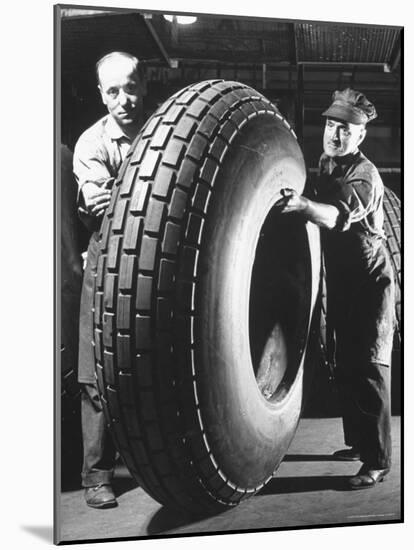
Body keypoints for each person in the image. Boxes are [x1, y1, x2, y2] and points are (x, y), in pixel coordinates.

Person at [277, 88, 395, 490]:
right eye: (331, 125)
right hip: (342, 278)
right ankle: (359, 444)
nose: (335, 135)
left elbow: (335, 215)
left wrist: (304, 207)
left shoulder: (364, 175)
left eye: (345, 130)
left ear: (360, 136)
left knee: (369, 367)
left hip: (371, 282)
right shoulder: (328, 162)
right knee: (344, 362)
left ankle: (378, 461)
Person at [73, 51, 146, 508]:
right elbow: (104, 209)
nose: (124, 100)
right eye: (113, 91)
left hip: (162, 264)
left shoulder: (166, 129)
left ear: (144, 84)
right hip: (106, 257)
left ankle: (158, 465)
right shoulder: (90, 143)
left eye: (131, 87)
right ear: (101, 94)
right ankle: (97, 475)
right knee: (94, 372)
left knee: (156, 365)